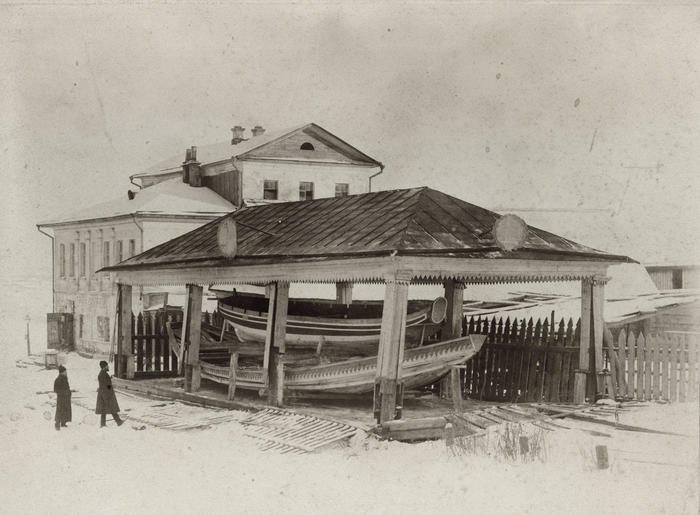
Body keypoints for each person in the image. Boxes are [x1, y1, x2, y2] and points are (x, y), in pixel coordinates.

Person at [95, 360, 124, 427]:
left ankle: (103, 424)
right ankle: (118, 421)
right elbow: (106, 385)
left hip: (104, 394)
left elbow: (105, 384)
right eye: (107, 366)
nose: (108, 367)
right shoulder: (103, 374)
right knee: (111, 408)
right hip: (106, 394)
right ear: (104, 367)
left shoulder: (103, 373)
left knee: (104, 409)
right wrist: (110, 388)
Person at [53, 365, 72, 430]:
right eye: (65, 372)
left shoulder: (65, 378)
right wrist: (64, 392)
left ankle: (63, 422)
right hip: (61, 398)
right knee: (60, 411)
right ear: (62, 372)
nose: (66, 373)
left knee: (65, 410)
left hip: (66, 397)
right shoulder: (58, 379)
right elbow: (56, 390)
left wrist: (68, 392)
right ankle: (57, 424)